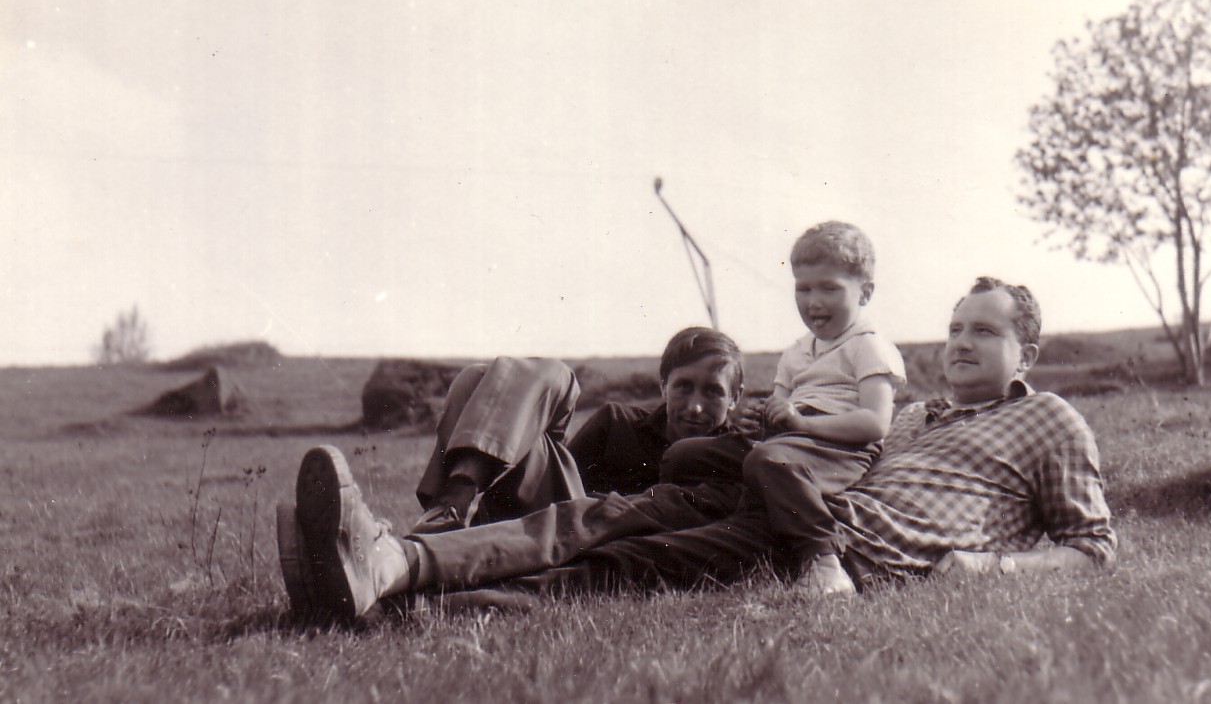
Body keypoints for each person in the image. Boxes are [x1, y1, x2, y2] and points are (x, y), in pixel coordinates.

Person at [283, 276, 1115, 622]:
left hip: (827, 545)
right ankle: (394, 565)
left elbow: (1091, 548)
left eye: (985, 333)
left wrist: (990, 569)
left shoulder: (1052, 422)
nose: (961, 342)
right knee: (592, 521)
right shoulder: (911, 417)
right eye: (957, 328)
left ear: (1028, 354)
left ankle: (394, 591)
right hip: (787, 511)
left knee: (615, 566)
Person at [277, 326, 753, 621]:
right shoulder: (618, 422)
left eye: (713, 392)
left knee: (479, 382)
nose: (694, 406)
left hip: (606, 554)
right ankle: (451, 505)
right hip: (549, 528)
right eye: (683, 387)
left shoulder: (739, 456)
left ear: (736, 398)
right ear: (662, 384)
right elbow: (545, 473)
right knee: (508, 376)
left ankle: (365, 565)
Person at [675, 220, 905, 596]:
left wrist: (802, 425)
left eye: (830, 288)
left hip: (840, 446)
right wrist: (762, 417)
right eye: (804, 288)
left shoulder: (868, 346)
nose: (814, 302)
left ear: (865, 293)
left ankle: (824, 560)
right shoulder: (796, 352)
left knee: (769, 461)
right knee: (686, 454)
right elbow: (778, 405)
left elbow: (875, 423)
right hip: (789, 442)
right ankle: (706, 519)